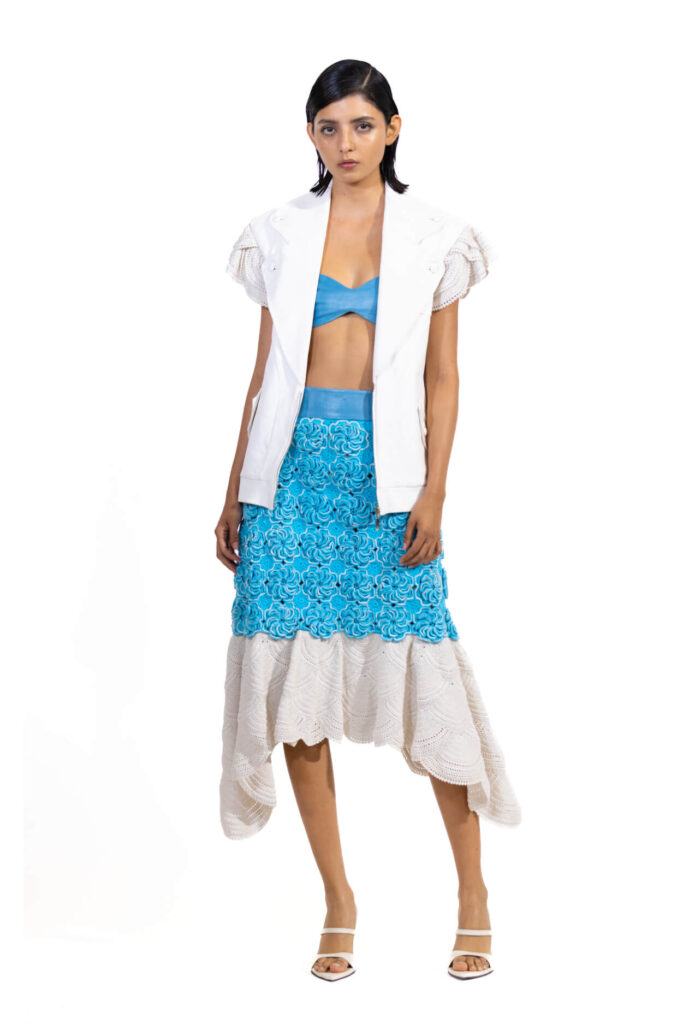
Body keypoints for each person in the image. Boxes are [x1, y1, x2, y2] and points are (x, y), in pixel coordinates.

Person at [215, 59, 521, 982]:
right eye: (327, 127)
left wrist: (434, 492)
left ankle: (472, 895)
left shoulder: (437, 238)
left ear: (392, 128)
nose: (343, 144)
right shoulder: (277, 233)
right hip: (287, 481)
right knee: (293, 698)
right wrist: (234, 488)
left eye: (360, 125)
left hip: (385, 485)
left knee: (427, 680)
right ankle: (338, 900)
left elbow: (442, 377)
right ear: (310, 136)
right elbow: (264, 373)